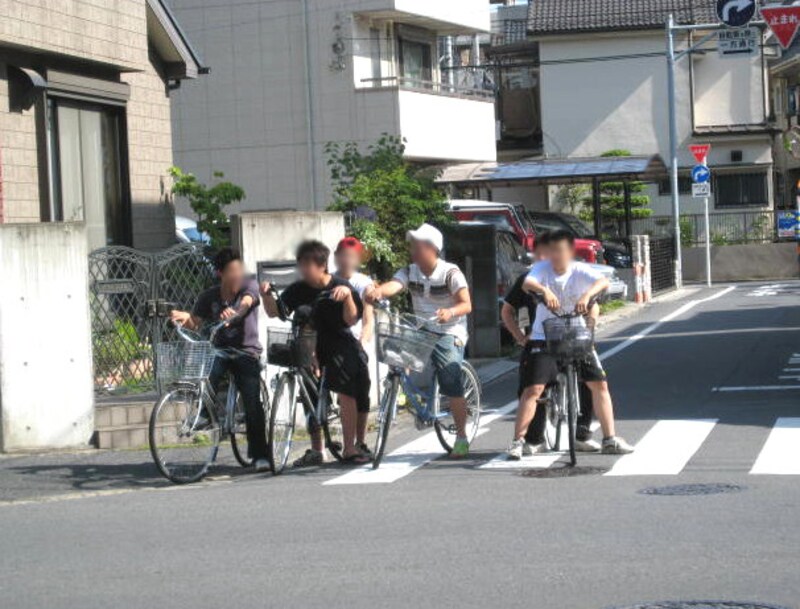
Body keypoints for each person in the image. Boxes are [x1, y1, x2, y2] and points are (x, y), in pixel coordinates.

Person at [507, 229, 634, 459]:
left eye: (561, 251)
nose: (557, 256)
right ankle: (518, 441)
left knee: (599, 384)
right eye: (553, 251)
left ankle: (609, 438)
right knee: (533, 388)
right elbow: (528, 282)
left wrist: (587, 297)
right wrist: (544, 291)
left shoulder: (579, 270)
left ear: (570, 252)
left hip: (576, 334)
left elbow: (603, 281)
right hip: (543, 337)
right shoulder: (541, 270)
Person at [364, 223, 474, 458]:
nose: (412, 249)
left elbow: (466, 304)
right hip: (421, 327)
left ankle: (462, 437)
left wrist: (450, 312)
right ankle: (400, 390)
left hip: (449, 330)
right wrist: (379, 292)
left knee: (450, 378)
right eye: (412, 244)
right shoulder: (409, 270)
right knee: (393, 350)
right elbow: (395, 285)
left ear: (432, 248)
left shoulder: (450, 272)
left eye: (417, 245)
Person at [261, 240, 371, 465]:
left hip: (337, 342)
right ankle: (316, 449)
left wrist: (348, 296)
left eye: (306, 265)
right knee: (308, 393)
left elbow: (351, 319)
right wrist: (266, 295)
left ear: (322, 265)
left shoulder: (339, 285)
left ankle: (350, 447)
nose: (302, 270)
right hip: (307, 343)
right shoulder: (299, 289)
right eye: (300, 265)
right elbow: (276, 312)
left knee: (347, 390)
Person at [170, 248, 269, 472]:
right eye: (232, 271)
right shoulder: (210, 296)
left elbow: (246, 304)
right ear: (220, 273)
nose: (237, 275)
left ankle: (261, 455)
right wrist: (182, 317)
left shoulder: (248, 286)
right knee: (210, 371)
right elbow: (195, 323)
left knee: (252, 401)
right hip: (221, 350)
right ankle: (205, 413)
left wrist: (234, 312)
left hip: (246, 351)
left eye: (239, 269)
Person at [501, 232, 600, 454]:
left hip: (571, 336)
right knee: (533, 387)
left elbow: (594, 302)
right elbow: (507, 310)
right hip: (538, 340)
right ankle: (533, 439)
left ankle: (582, 433)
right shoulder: (528, 279)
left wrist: (590, 328)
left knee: (588, 380)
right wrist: (519, 337)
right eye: (545, 252)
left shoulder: (573, 274)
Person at [333, 237, 374, 455]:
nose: (347, 260)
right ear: (336, 257)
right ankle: (317, 447)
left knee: (362, 389)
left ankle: (360, 441)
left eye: (352, 256)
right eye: (343, 255)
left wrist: (363, 343)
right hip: (332, 342)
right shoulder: (328, 280)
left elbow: (368, 318)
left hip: (355, 343)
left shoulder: (363, 283)